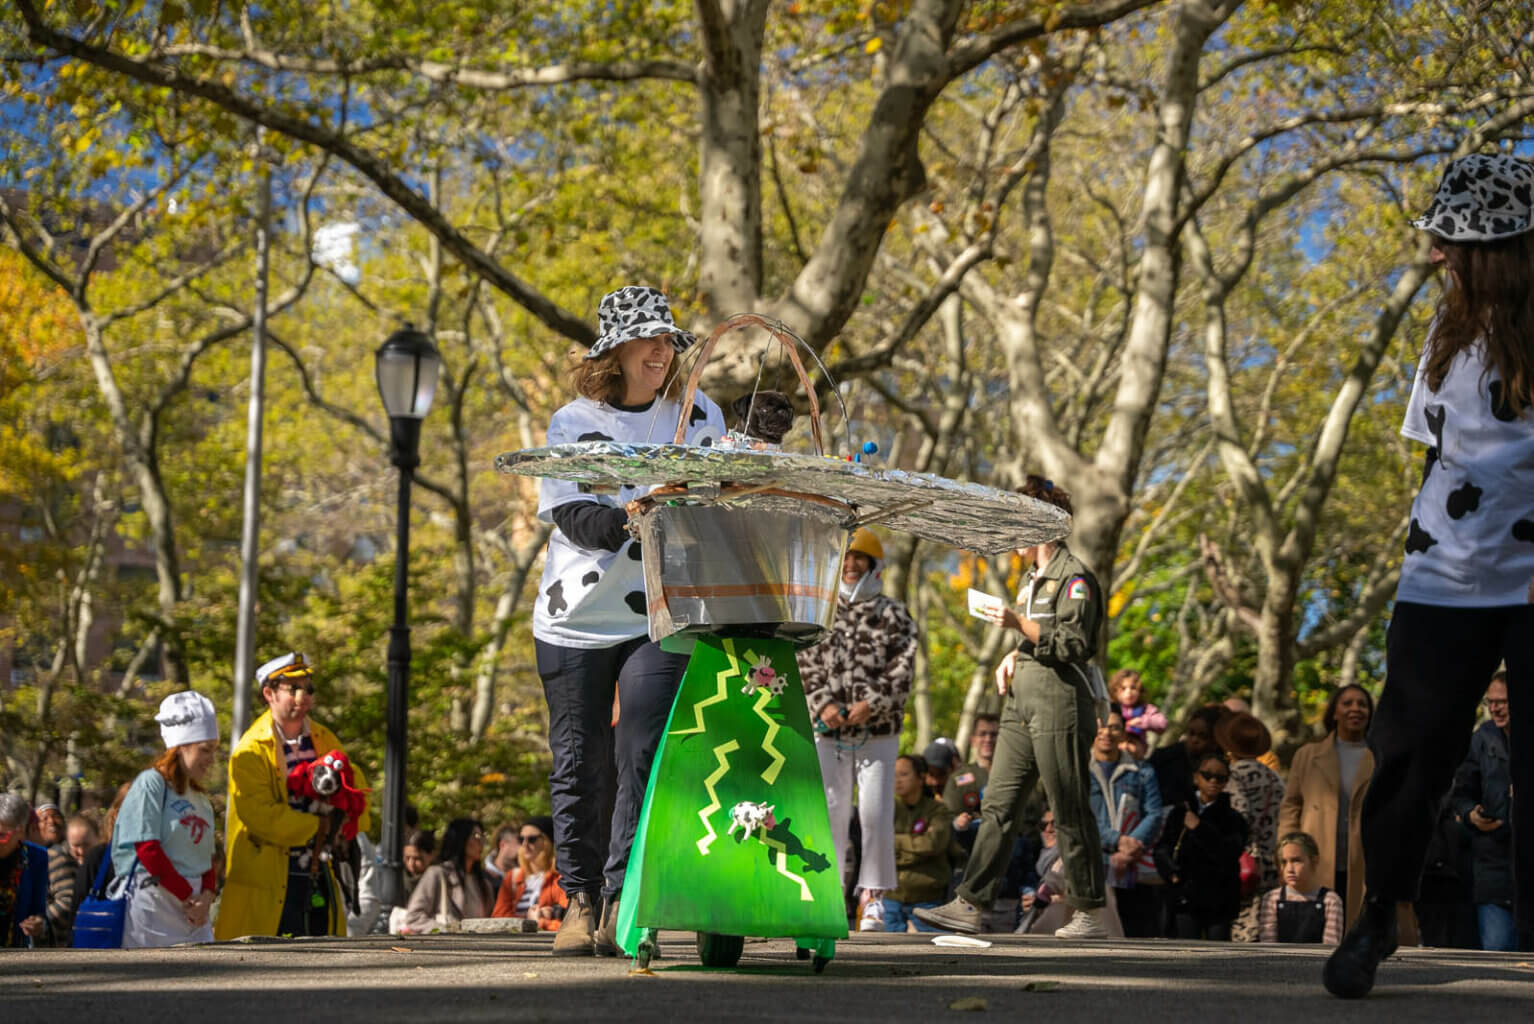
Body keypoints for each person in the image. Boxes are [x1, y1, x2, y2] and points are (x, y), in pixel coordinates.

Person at [1324, 153, 1534, 997]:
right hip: (1443, 577)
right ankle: (1382, 916)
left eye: (1451, 240)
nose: (1437, 253)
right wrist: (1421, 557)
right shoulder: (1444, 335)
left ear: (1497, 251)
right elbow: (1437, 459)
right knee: (1409, 751)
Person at [533, 285, 725, 956]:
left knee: (641, 746)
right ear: (612, 353)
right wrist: (637, 516)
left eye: (668, 338)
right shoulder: (572, 422)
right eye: (647, 338)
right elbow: (574, 518)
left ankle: (621, 900)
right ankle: (577, 900)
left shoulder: (699, 414)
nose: (661, 349)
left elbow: (722, 498)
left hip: (660, 611)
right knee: (579, 761)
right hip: (575, 619)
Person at [916, 475, 1112, 939]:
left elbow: (1075, 643)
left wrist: (1016, 623)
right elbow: (1035, 637)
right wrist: (1012, 651)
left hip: (1060, 704)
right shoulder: (1032, 579)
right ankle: (970, 903)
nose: (1013, 532)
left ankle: (1088, 911)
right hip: (1021, 704)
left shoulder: (1074, 578)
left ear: (1043, 523)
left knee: (1068, 804)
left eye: (1020, 520)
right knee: (998, 804)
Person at [800, 525, 919, 932]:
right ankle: (828, 889)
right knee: (831, 812)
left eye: (859, 558)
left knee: (875, 813)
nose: (851, 566)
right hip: (827, 730)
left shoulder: (893, 613)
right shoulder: (819, 608)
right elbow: (802, 661)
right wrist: (823, 704)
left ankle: (873, 896)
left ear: (873, 564)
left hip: (878, 731)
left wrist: (875, 703)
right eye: (846, 558)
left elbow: (904, 666)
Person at [214, 652, 371, 940]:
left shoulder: (324, 738)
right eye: (293, 689)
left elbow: (355, 786)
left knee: (322, 957)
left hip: (318, 872)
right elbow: (258, 815)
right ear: (269, 694)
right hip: (269, 877)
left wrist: (344, 825)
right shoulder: (250, 749)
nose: (303, 697)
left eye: (308, 689)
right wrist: (319, 828)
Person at [112, 691, 221, 948]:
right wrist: (187, 897)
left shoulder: (201, 798)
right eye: (205, 750)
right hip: (154, 905)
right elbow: (147, 849)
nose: (212, 759)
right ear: (181, 746)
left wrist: (206, 897)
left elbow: (208, 859)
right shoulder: (151, 783)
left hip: (195, 910)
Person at [1279, 684, 1376, 927]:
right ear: (1334, 712)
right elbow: (1291, 805)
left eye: (1362, 704)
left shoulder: (1381, 756)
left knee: (1357, 929)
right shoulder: (1308, 755)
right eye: (1347, 703)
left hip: (1364, 860)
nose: (1355, 709)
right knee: (1315, 934)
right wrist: (1288, 851)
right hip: (1316, 857)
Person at [1451, 672, 1515, 951]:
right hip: (1493, 866)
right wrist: (1471, 815)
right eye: (1491, 702)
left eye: (1502, 701)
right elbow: (1461, 793)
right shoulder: (1482, 739)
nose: (1495, 708)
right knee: (1498, 954)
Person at [1153, 753, 1247, 940]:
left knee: (1218, 955)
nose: (1213, 781)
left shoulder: (1233, 818)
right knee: (1185, 951)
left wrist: (1199, 828)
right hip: (1185, 895)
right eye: (1207, 775)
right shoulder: (1180, 811)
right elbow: (1162, 848)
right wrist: (1171, 872)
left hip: (1219, 898)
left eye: (1220, 778)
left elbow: (1230, 852)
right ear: (1196, 777)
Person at [1086, 711, 1164, 937]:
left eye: (1114, 727)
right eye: (1101, 727)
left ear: (1122, 733)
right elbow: (1080, 817)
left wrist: (1131, 847)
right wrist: (1117, 840)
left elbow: (1154, 813)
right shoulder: (1080, 770)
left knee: (1138, 935)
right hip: (1095, 864)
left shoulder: (1142, 771)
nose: (1106, 733)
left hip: (1134, 866)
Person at [1217, 710, 1284, 942]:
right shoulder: (1274, 777)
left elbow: (1239, 816)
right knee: (1265, 922)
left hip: (1242, 863)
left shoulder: (1233, 776)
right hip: (1270, 859)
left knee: (1242, 926)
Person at [883, 754, 956, 932]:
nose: (897, 780)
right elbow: (880, 847)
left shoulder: (938, 810)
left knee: (936, 952)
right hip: (891, 897)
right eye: (893, 775)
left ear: (921, 778)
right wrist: (916, 849)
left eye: (903, 774)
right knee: (886, 954)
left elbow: (933, 844)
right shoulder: (886, 809)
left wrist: (895, 842)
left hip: (928, 898)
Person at [402, 818, 495, 933]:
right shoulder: (438, 874)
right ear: (461, 839)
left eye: (482, 837)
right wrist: (446, 930)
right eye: (476, 836)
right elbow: (414, 917)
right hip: (447, 948)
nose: (481, 842)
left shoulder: (484, 883)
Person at [1260, 832, 1345, 944]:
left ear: (1314, 861)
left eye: (1296, 861)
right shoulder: (1272, 899)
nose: (1289, 869)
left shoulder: (1330, 900)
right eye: (1284, 862)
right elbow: (1268, 945)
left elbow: (1330, 947)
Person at [492, 815, 568, 930]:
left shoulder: (560, 878)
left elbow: (570, 923)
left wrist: (540, 922)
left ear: (547, 841)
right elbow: (497, 919)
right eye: (521, 839)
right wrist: (529, 919)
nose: (524, 844)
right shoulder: (512, 876)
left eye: (531, 839)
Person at [1148, 707, 1223, 813]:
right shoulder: (1164, 758)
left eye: (1203, 736)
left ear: (1214, 742)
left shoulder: (1220, 768)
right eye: (1191, 733)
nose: (1194, 740)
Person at [0, 793, 48, 948]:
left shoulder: (36, 858)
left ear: (20, 832)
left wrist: (38, 923)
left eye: (2, 836)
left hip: (14, 951)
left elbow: (38, 910)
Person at [44, 813, 97, 946]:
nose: (82, 851)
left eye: (86, 844)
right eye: (76, 845)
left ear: (98, 838)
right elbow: (67, 903)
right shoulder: (62, 861)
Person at [1110, 670, 1167, 744]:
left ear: (1140, 691)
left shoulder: (1145, 708)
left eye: (1133, 688)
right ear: (1115, 691)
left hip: (1136, 746)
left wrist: (1142, 721)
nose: (1128, 692)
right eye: (1123, 688)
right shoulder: (1112, 708)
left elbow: (1162, 723)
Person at [483, 824, 520, 898]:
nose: (522, 848)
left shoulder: (524, 876)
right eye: (518, 843)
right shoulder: (484, 878)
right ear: (502, 845)